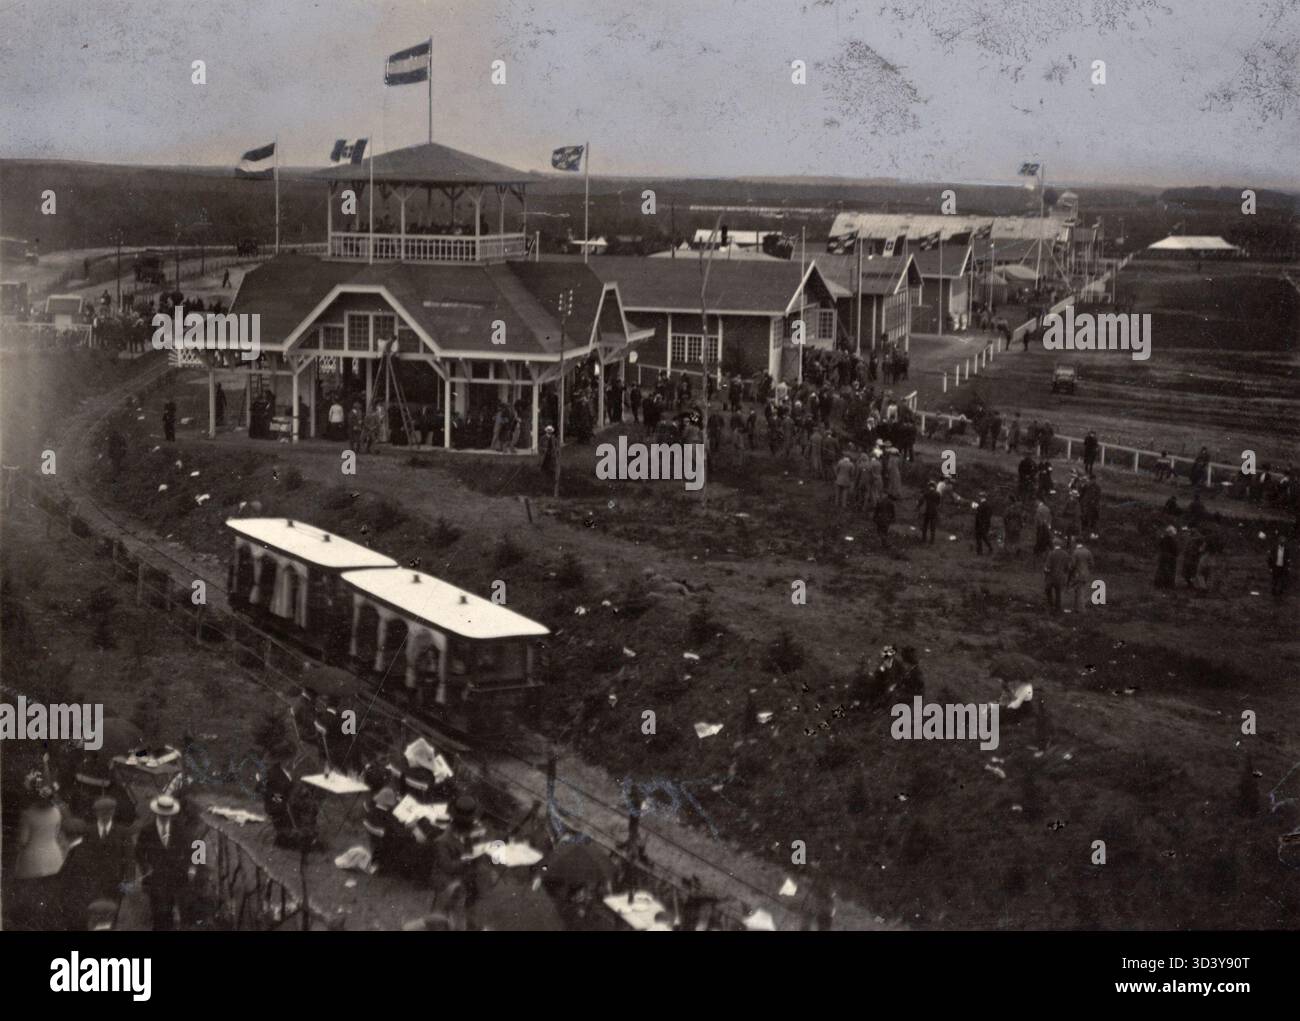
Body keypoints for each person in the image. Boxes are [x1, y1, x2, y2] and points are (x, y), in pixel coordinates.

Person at [134, 795, 190, 931]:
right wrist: (145, 868)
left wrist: (191, 867)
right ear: (157, 814)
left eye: (167, 815)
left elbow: (193, 848)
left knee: (170, 909)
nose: (165, 818)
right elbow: (138, 852)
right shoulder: (147, 830)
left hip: (174, 876)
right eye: (161, 815)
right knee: (158, 911)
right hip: (155, 877)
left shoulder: (179, 830)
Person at [1043, 539, 1071, 612]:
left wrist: (1045, 572)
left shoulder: (1051, 553)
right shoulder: (1066, 554)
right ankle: (1058, 608)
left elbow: (1047, 567)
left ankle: (1050, 605)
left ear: (1054, 544)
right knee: (1058, 593)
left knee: (1047, 590)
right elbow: (1067, 567)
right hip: (1061, 577)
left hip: (1051, 577)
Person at [1068, 540, 1094, 612]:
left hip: (1077, 574)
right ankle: (1077, 608)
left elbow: (1072, 565)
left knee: (1079, 591)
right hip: (1085, 574)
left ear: (1076, 543)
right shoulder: (1088, 552)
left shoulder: (1075, 552)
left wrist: (1069, 569)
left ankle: (1081, 609)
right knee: (1080, 590)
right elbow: (1092, 564)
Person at [1267, 533, 1290, 598]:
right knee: (1275, 579)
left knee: (1282, 579)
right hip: (1275, 566)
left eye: (1284, 541)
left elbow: (1288, 559)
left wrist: (1287, 567)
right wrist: (1270, 567)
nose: (1282, 543)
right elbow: (1270, 559)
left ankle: (1281, 592)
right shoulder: (1274, 549)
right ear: (1279, 541)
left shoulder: (1286, 550)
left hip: (1283, 567)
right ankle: (1273, 591)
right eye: (1281, 541)